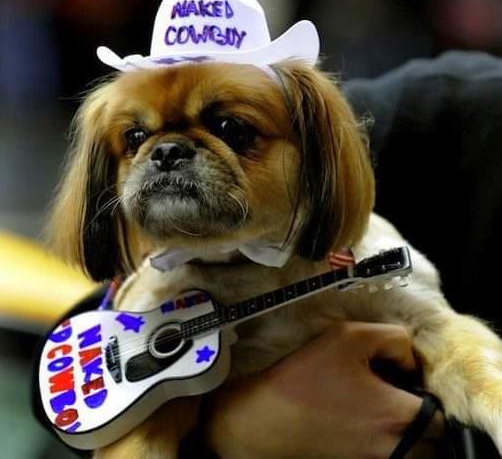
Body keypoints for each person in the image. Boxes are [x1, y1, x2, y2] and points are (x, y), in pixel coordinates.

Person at [33, 51, 502, 457]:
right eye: (136, 139)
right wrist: (231, 428)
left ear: (315, 154)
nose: (167, 155)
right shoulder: (440, 103)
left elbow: (442, 337)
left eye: (231, 129)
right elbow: (68, 389)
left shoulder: (370, 251)